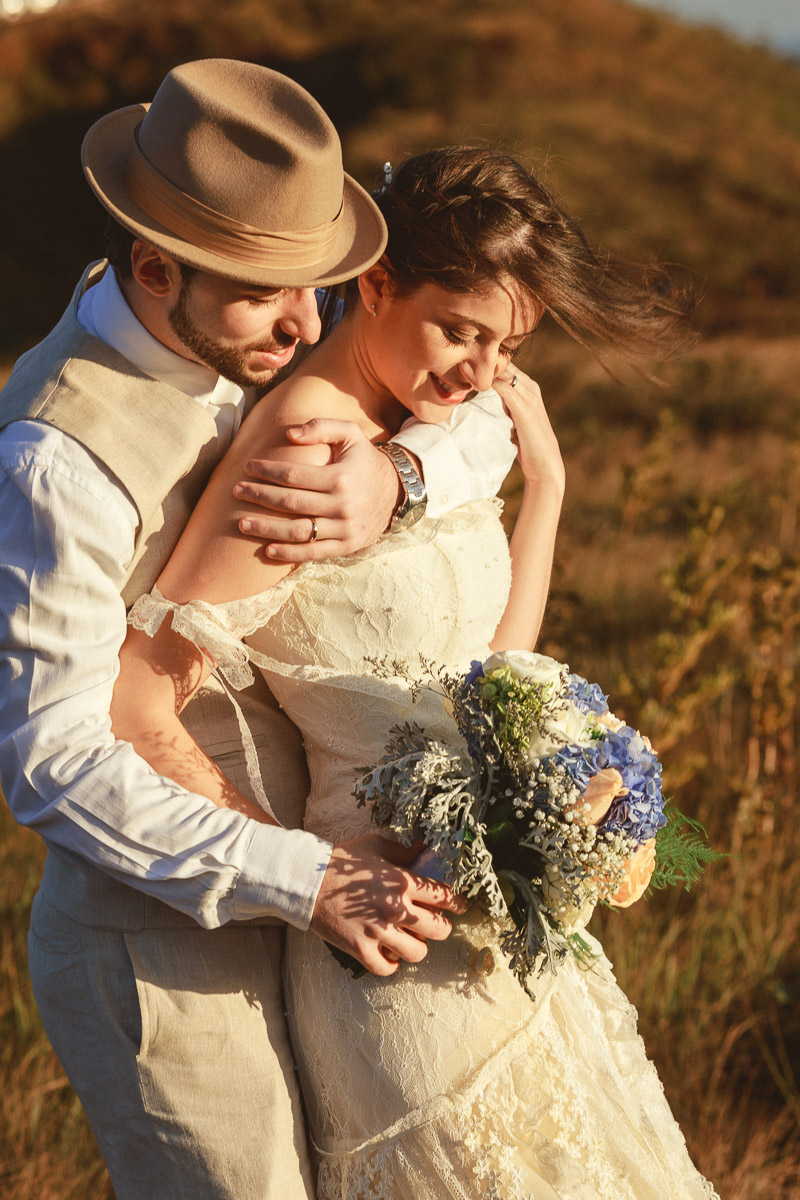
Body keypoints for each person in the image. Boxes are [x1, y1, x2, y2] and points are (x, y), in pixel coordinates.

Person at [113, 146, 719, 1198]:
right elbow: (136, 697)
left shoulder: (419, 428)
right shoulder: (297, 457)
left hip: (502, 932)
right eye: (461, 331)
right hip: (389, 943)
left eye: (507, 346)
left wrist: (546, 493)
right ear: (378, 282)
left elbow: (492, 673)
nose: (480, 374)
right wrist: (310, 872)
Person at [0, 62, 522, 1200]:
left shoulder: (251, 311)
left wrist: (398, 478)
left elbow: (486, 404)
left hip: (317, 916)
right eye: (266, 297)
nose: (305, 324)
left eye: (319, 289)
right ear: (153, 268)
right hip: (160, 953)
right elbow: (50, 761)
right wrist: (304, 877)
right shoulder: (55, 461)